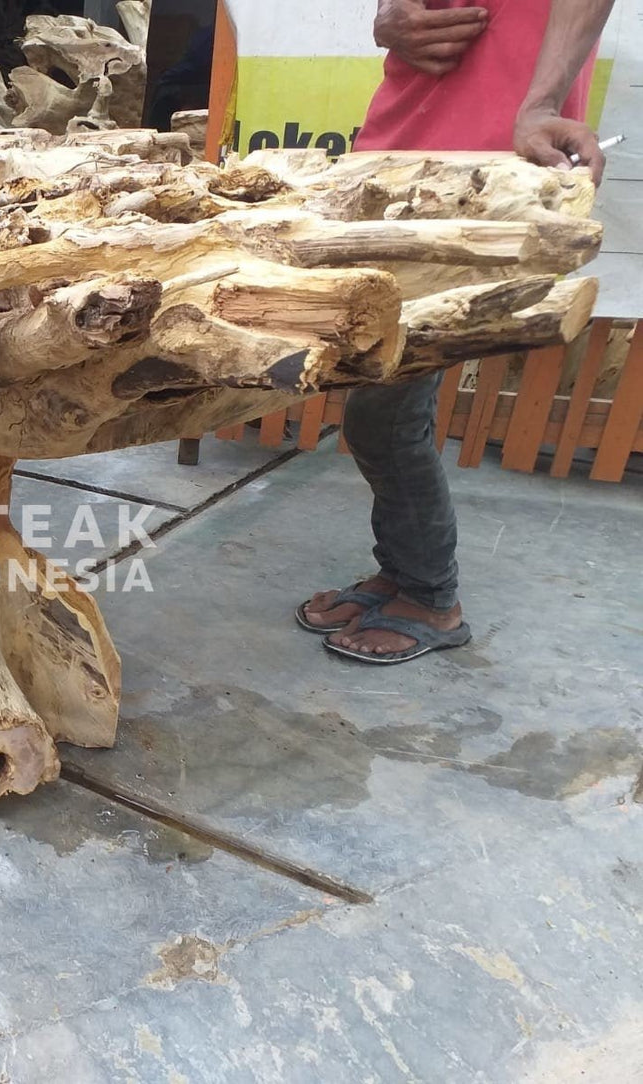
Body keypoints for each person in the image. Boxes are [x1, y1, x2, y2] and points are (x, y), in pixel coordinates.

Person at [297, 0, 614, 664]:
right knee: (380, 398)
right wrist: (387, 18)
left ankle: (430, 599)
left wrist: (540, 102)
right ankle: (404, 575)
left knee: (383, 412)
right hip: (396, 151)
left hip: (492, 160)